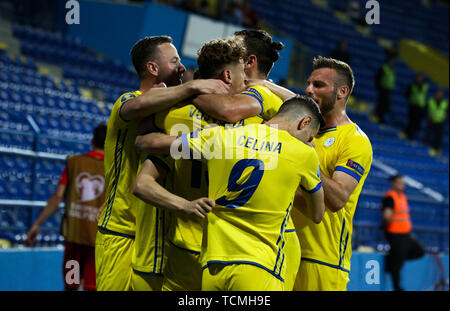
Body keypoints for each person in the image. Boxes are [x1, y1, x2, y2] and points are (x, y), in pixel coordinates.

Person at [139, 95, 326, 291]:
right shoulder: (304, 154)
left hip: (214, 267)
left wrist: (140, 138)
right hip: (260, 266)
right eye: (310, 136)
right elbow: (317, 214)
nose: (309, 142)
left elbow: (152, 143)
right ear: (305, 122)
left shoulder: (221, 136)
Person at [95, 35, 230, 291]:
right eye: (175, 60)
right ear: (153, 68)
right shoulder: (126, 101)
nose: (181, 67)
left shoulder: (172, 111)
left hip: (162, 233)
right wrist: (193, 87)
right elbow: (139, 106)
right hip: (123, 229)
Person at [134, 37, 250, 291]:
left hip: (185, 245)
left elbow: (142, 182)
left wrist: (184, 206)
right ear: (228, 75)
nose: (247, 81)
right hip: (236, 253)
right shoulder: (257, 124)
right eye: (243, 73)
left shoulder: (174, 116)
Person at [190, 29, 302, 291]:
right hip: (236, 236)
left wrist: (189, 89)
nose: (227, 49)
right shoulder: (255, 95)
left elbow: (228, 112)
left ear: (249, 61)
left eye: (233, 46)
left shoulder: (261, 95)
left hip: (267, 240)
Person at [293, 57, 373, 291]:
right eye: (309, 83)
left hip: (322, 260)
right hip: (282, 250)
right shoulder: (301, 131)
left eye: (318, 85)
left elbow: (338, 198)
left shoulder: (354, 140)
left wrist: (306, 158)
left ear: (342, 92)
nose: (308, 89)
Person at [26, 123, 107, 291]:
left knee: (71, 285)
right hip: (98, 242)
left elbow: (57, 196)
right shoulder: (112, 167)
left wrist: (37, 223)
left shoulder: (74, 162)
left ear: (92, 140)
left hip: (74, 240)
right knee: (92, 287)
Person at [381, 174, 425, 291]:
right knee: (397, 264)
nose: (402, 185)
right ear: (393, 184)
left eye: (403, 183)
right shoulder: (390, 197)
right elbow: (387, 215)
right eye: (399, 183)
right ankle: (397, 288)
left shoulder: (402, 196)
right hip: (395, 234)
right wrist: (388, 223)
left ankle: (391, 259)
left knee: (419, 251)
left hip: (405, 233)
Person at [405, 73, 428, 140]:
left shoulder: (425, 86)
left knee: (418, 123)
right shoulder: (412, 86)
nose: (419, 79)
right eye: (418, 77)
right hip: (413, 106)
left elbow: (425, 97)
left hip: (421, 107)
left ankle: (414, 136)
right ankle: (409, 134)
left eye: (421, 78)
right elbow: (407, 95)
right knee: (411, 121)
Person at [425, 88, 448, 154]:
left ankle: (436, 149)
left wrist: (446, 116)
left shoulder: (445, 103)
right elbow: (426, 109)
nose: (439, 95)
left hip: (440, 122)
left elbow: (447, 111)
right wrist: (428, 116)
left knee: (439, 136)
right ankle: (426, 147)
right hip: (431, 121)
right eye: (438, 93)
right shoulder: (431, 101)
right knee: (429, 134)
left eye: (440, 94)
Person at [374, 56, 396, 124]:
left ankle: (381, 117)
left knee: (386, 105)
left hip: (389, 90)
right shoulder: (383, 68)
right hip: (383, 89)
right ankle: (379, 117)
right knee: (382, 104)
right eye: (391, 61)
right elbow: (377, 78)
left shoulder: (392, 70)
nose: (392, 63)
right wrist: (379, 87)